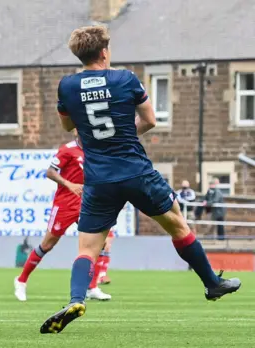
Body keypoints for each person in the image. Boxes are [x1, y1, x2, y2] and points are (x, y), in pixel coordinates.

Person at [39, 25, 241, 334]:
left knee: (87, 248)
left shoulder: (67, 86)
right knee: (178, 225)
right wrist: (123, 132)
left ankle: (76, 299)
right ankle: (212, 283)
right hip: (135, 170)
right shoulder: (125, 79)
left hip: (98, 178)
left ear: (79, 55)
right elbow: (150, 119)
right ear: (104, 52)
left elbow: (68, 127)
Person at [14, 131, 112, 302]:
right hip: (65, 205)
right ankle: (21, 281)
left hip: (86, 204)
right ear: (76, 132)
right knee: (47, 244)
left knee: (99, 242)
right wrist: (69, 184)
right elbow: (50, 172)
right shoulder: (68, 150)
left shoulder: (95, 150)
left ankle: (92, 287)